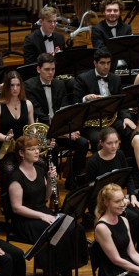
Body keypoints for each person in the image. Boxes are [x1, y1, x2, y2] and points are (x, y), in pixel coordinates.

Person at [8, 136, 86, 276]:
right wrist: (42, 215)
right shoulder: (16, 177)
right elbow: (17, 208)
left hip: (42, 211)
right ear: (22, 153)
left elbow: (45, 197)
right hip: (25, 219)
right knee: (52, 231)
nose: (37, 151)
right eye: (32, 149)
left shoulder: (38, 169)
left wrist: (51, 181)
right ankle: (51, 274)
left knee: (73, 227)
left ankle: (66, 270)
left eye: (37, 148)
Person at [25, 53, 89, 189]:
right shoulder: (29, 86)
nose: (50, 73)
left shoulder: (59, 84)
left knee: (83, 143)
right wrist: (63, 132)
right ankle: (49, 185)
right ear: (38, 69)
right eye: (47, 69)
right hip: (42, 131)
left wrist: (70, 128)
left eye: (53, 69)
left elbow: (64, 110)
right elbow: (40, 115)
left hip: (60, 128)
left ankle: (71, 179)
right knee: (54, 147)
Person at [85, 127, 139, 254]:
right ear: (101, 143)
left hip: (119, 199)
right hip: (103, 202)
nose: (114, 146)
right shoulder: (93, 161)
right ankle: (125, 252)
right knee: (133, 218)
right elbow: (92, 192)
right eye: (110, 143)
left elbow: (128, 176)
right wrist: (116, 202)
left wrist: (132, 196)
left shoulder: (119, 154)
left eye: (116, 142)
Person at [73, 47, 135, 149]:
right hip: (92, 123)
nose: (106, 66)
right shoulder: (83, 79)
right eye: (102, 63)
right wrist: (85, 99)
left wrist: (126, 118)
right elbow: (75, 103)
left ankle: (125, 162)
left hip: (112, 119)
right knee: (98, 140)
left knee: (130, 132)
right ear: (95, 63)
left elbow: (122, 102)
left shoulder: (116, 79)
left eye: (108, 63)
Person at [0, 70, 35, 160]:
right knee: (10, 169)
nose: (15, 88)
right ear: (6, 87)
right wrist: (6, 138)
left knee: (40, 163)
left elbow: (32, 127)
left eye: (18, 85)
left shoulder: (28, 104)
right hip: (4, 149)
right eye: (12, 85)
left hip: (23, 148)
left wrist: (33, 134)